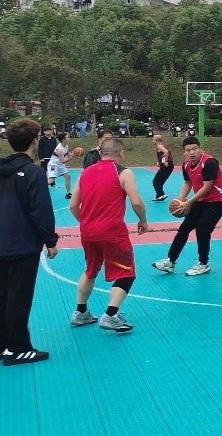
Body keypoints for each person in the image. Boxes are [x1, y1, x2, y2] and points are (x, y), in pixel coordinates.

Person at [0, 119, 60, 366]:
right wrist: (50, 240)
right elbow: (40, 209)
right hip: (23, 243)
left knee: (0, 294)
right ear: (34, 141)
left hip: (1, 240)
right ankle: (17, 348)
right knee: (18, 295)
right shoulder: (33, 172)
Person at [68, 137, 148, 333]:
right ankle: (111, 315)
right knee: (126, 272)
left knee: (90, 270)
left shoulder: (85, 173)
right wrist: (143, 220)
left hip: (88, 231)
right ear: (121, 153)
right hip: (112, 231)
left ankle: (80, 312)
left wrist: (86, 222)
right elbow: (136, 202)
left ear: (101, 153)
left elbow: (73, 205)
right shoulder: (123, 172)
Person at [152, 136, 222, 276]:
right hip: (202, 200)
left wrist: (189, 202)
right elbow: (188, 183)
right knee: (184, 229)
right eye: (188, 150)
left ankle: (203, 264)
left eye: (195, 149)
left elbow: (207, 186)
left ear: (200, 149)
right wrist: (181, 199)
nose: (192, 152)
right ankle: (170, 262)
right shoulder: (186, 165)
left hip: (218, 200)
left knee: (202, 230)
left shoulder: (210, 162)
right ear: (184, 152)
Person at [47, 131, 74, 199]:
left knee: (68, 176)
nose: (69, 138)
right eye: (68, 137)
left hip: (60, 165)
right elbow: (63, 161)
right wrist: (71, 157)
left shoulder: (66, 145)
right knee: (51, 180)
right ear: (63, 139)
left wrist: (72, 153)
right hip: (53, 165)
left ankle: (68, 194)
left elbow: (68, 153)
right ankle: (39, 187)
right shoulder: (59, 149)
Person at [151, 135, 174, 201]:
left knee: (155, 181)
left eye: (153, 139)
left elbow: (166, 152)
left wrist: (165, 161)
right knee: (160, 182)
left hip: (166, 166)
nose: (152, 141)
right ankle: (159, 196)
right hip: (169, 165)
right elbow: (163, 154)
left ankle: (161, 194)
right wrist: (159, 162)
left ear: (156, 140)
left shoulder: (159, 146)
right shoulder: (163, 145)